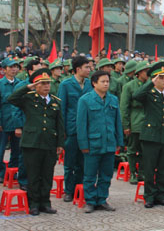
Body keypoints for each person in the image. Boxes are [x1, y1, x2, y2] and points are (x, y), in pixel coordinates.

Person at [8, 68, 64, 215]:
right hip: (31, 143)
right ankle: (33, 203)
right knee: (33, 175)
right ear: (36, 85)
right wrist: (28, 87)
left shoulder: (55, 101)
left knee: (46, 174)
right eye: (43, 83)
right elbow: (12, 98)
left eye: (48, 83)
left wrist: (59, 144)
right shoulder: (29, 98)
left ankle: (45, 203)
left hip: (49, 143)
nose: (46, 86)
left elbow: (60, 124)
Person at [132, 62, 164, 208]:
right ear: (155, 79)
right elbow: (136, 96)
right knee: (150, 168)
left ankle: (162, 195)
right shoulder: (149, 94)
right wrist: (149, 84)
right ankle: (150, 196)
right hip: (150, 136)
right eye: (161, 78)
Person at [77, 70, 123, 213]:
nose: (105, 84)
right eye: (102, 81)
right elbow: (81, 124)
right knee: (90, 175)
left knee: (106, 174)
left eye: (107, 81)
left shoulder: (113, 100)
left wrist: (119, 142)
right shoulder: (85, 100)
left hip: (109, 143)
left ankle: (102, 199)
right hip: (92, 144)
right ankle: (90, 201)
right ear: (94, 83)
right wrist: (83, 144)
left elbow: (117, 122)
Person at [58, 55, 93, 201]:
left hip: (87, 129)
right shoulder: (66, 85)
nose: (89, 70)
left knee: (83, 162)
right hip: (71, 129)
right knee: (70, 162)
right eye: (87, 67)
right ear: (78, 69)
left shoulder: (91, 84)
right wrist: (63, 131)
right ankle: (69, 190)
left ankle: (80, 187)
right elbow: (62, 109)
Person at [120, 61, 149, 184]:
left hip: (148, 121)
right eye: (146, 71)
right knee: (132, 149)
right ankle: (133, 172)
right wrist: (126, 125)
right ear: (139, 72)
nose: (149, 73)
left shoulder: (150, 85)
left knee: (145, 150)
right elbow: (124, 107)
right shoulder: (129, 86)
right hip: (135, 121)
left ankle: (142, 172)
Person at [0, 58, 23, 183]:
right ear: (4, 70)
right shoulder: (0, 84)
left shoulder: (20, 84)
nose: (14, 69)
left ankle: (13, 172)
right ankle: (1, 173)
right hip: (4, 122)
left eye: (15, 67)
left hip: (16, 122)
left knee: (17, 150)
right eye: (11, 67)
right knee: (1, 150)